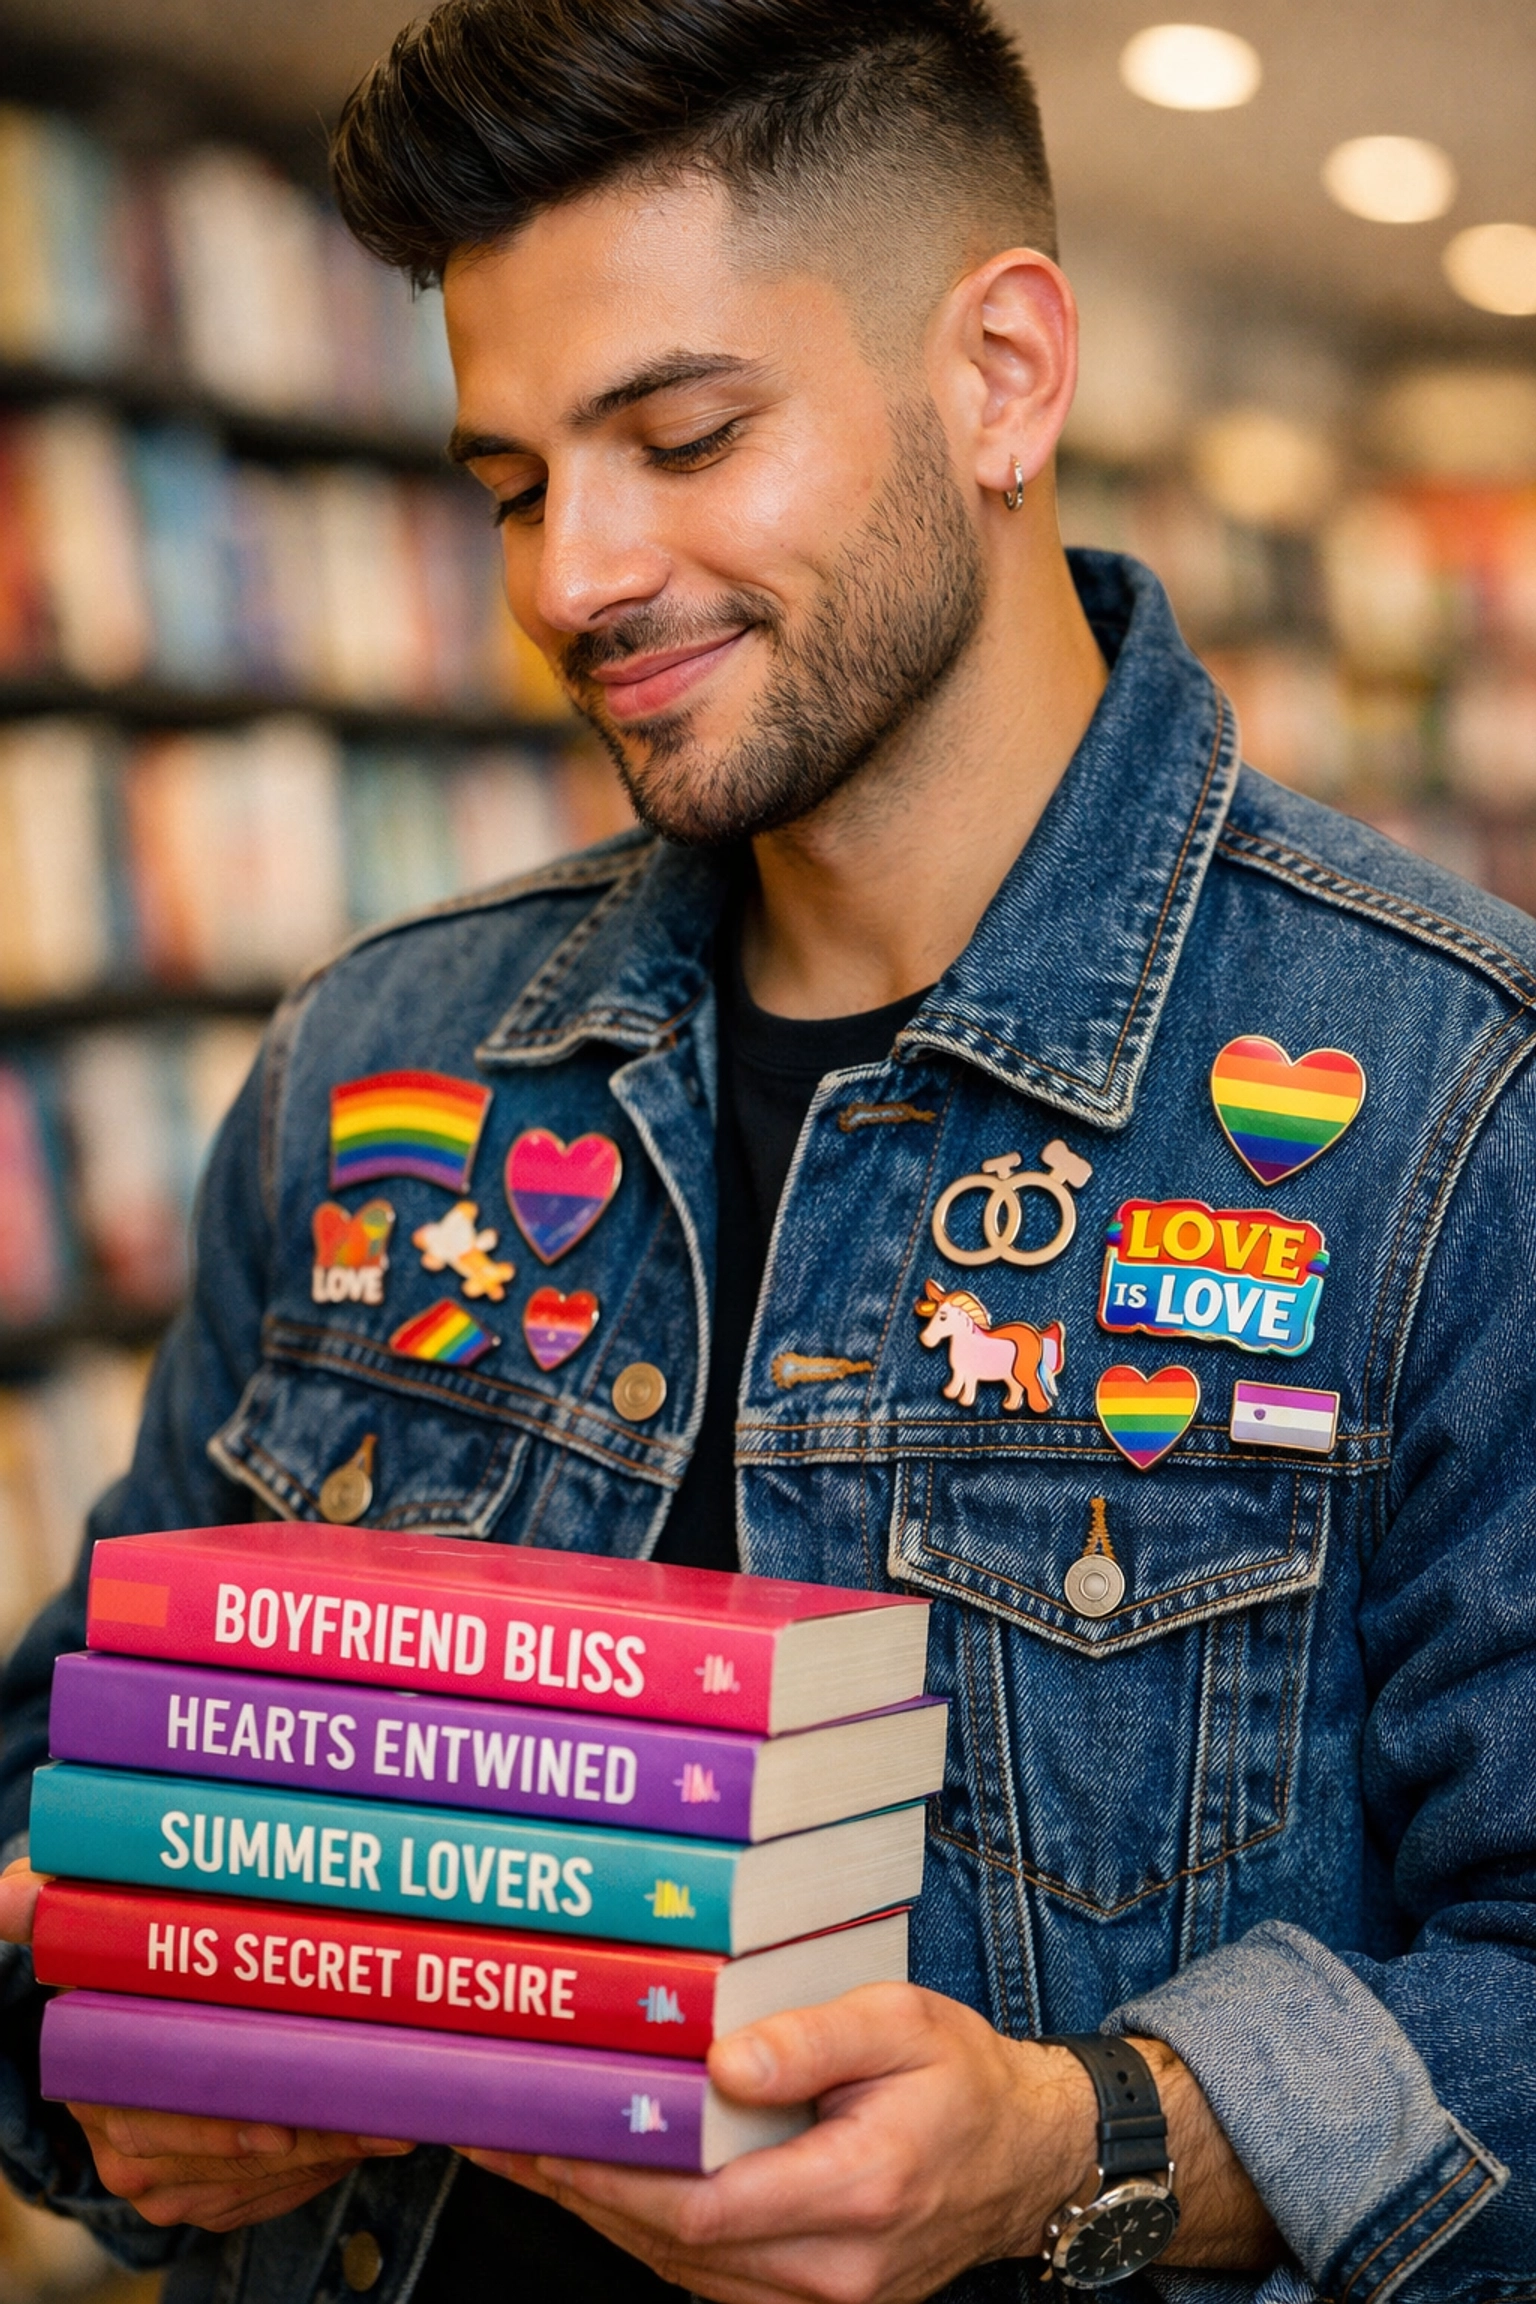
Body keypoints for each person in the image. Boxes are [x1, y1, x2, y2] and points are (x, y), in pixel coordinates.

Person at [0, 0, 1530, 2297]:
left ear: (1002, 376)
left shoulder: (1447, 1097)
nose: (569, 580)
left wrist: (1086, 2141)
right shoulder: (380, 1061)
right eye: (512, 482)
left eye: (685, 437)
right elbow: (78, 1754)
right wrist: (104, 2044)